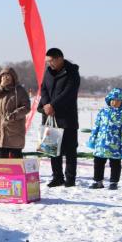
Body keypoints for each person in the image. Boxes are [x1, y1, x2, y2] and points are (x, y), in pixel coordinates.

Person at [37, 47, 81, 187]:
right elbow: (43, 89)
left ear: (59, 58)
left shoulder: (72, 72)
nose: (49, 64)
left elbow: (69, 93)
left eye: (51, 61)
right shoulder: (48, 72)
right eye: (47, 62)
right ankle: (57, 177)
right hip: (50, 116)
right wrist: (46, 105)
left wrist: (53, 105)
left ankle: (70, 179)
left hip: (67, 118)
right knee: (52, 148)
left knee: (69, 150)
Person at [87, 88, 122, 190]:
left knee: (115, 164)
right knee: (98, 163)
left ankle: (114, 182)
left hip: (115, 147)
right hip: (101, 145)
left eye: (118, 100)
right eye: (113, 100)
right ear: (109, 100)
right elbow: (96, 127)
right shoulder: (102, 112)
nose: (115, 102)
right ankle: (98, 181)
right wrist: (92, 140)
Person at [0, 67, 30, 159]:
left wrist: (14, 115)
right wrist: (1, 87)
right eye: (3, 75)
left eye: (8, 75)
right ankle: (3, 174)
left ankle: (17, 174)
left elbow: (26, 107)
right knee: (2, 159)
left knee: (16, 158)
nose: (5, 77)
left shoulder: (19, 90)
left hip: (14, 129)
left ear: (13, 77)